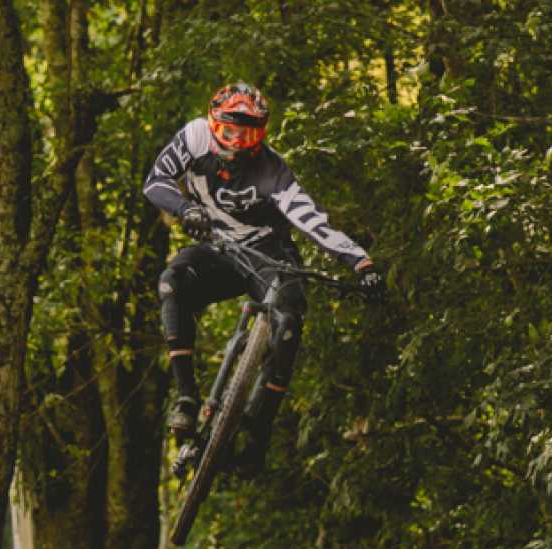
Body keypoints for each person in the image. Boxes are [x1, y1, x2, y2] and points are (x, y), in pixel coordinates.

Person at [143, 82, 384, 475]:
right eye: (229, 131)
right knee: (172, 282)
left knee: (288, 324)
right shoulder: (195, 136)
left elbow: (313, 222)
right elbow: (156, 182)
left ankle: (257, 431)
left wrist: (362, 264)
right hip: (219, 248)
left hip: (269, 253)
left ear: (262, 134)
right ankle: (186, 398)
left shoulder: (274, 171)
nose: (237, 142)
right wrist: (186, 210)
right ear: (213, 124)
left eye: (248, 134)